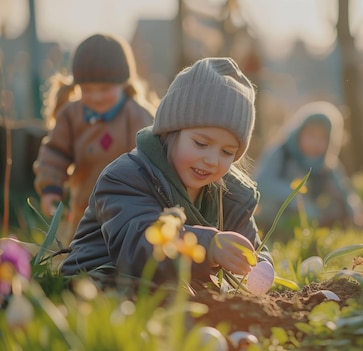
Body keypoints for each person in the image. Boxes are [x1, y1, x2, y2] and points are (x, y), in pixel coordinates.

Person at [60, 57, 272, 285]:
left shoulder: (230, 196)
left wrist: (260, 264)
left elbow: (253, 246)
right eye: (201, 144)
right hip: (102, 283)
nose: (212, 160)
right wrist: (209, 246)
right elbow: (137, 245)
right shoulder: (126, 177)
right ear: (170, 132)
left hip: (172, 292)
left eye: (227, 152)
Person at [33, 33, 155, 244]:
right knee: (79, 252)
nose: (96, 97)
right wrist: (51, 186)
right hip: (84, 205)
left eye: (105, 89)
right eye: (87, 90)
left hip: (128, 206)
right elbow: (55, 152)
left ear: (123, 84)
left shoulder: (135, 115)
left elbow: (152, 154)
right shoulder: (71, 115)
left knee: (124, 250)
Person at [254, 101, 363, 241]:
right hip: (275, 222)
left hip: (311, 226)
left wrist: (353, 210)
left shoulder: (328, 165)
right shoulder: (281, 153)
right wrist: (296, 198)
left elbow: (346, 192)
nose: (315, 143)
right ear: (298, 133)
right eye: (311, 135)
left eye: (322, 138)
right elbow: (261, 183)